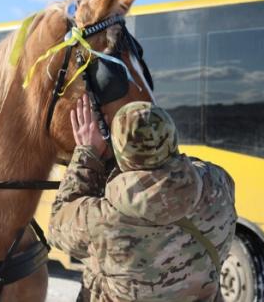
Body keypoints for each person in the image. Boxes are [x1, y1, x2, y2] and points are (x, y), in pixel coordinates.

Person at [49, 96, 237, 302]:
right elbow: (192, 171)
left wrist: (88, 153)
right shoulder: (217, 184)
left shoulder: (102, 220)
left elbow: (57, 226)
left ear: (120, 153)